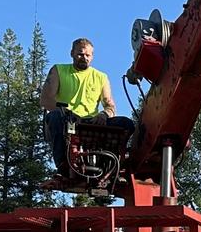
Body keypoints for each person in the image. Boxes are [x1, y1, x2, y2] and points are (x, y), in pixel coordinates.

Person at [40, 37, 133, 177]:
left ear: (92, 56)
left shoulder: (100, 77)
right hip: (68, 119)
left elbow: (110, 105)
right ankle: (62, 165)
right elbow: (46, 99)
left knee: (125, 123)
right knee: (54, 117)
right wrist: (65, 111)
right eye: (80, 54)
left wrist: (104, 114)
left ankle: (113, 165)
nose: (84, 58)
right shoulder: (59, 71)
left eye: (87, 55)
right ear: (72, 53)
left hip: (92, 121)